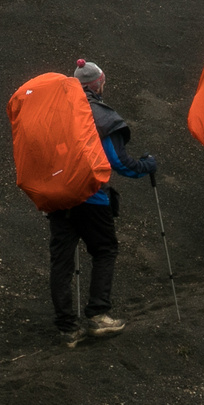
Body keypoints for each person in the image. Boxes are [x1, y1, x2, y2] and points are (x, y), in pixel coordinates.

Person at [53, 60, 156, 346]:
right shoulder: (98, 114)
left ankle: (66, 328)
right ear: (97, 84)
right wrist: (147, 165)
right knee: (105, 249)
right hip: (91, 197)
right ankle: (98, 315)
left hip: (59, 197)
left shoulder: (58, 111)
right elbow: (120, 162)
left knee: (61, 260)